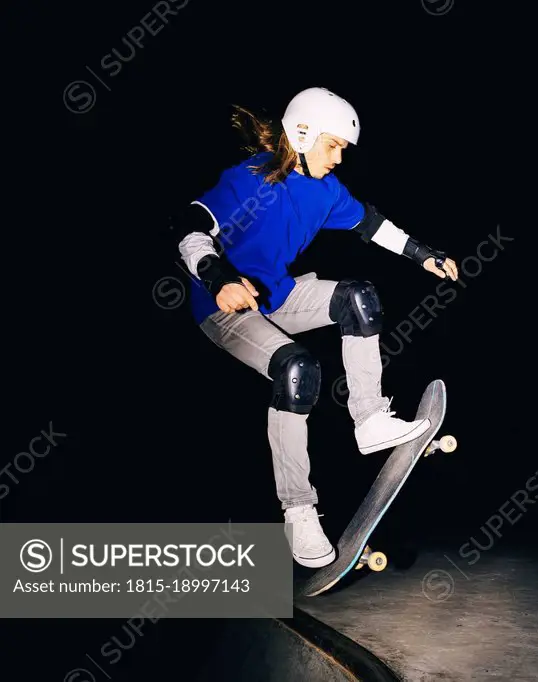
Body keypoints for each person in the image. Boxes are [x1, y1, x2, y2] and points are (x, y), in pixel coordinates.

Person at [169, 86, 459, 568]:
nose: (340, 158)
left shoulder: (326, 191)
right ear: (301, 135)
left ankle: (369, 420)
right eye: (334, 146)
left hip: (278, 296)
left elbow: (370, 224)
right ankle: (298, 511)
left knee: (357, 297)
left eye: (344, 149)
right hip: (224, 308)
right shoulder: (251, 178)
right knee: (296, 370)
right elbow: (189, 227)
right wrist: (218, 277)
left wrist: (423, 254)